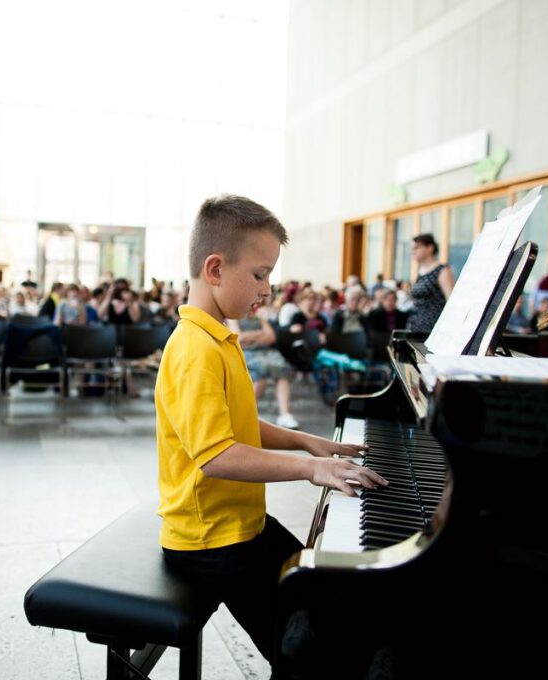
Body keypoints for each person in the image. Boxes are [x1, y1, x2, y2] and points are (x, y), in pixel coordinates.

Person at [155, 194, 387, 671]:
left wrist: (307, 441)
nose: (268, 289)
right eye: (259, 274)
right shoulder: (195, 349)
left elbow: (239, 426)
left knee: (324, 587)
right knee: (305, 645)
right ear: (215, 269)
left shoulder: (217, 335)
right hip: (210, 543)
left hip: (239, 528)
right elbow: (217, 454)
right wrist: (309, 469)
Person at [228, 304, 299, 429]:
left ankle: (285, 414)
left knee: (282, 370)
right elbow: (238, 339)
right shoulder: (233, 317)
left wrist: (250, 339)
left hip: (265, 353)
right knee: (260, 374)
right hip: (247, 354)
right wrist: (260, 334)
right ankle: (245, 414)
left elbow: (271, 337)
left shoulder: (259, 317)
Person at [407, 233, 454, 333]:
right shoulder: (421, 271)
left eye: (417, 247)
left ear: (430, 248)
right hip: (416, 325)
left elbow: (450, 301)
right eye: (412, 248)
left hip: (432, 327)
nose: (413, 252)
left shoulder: (442, 271)